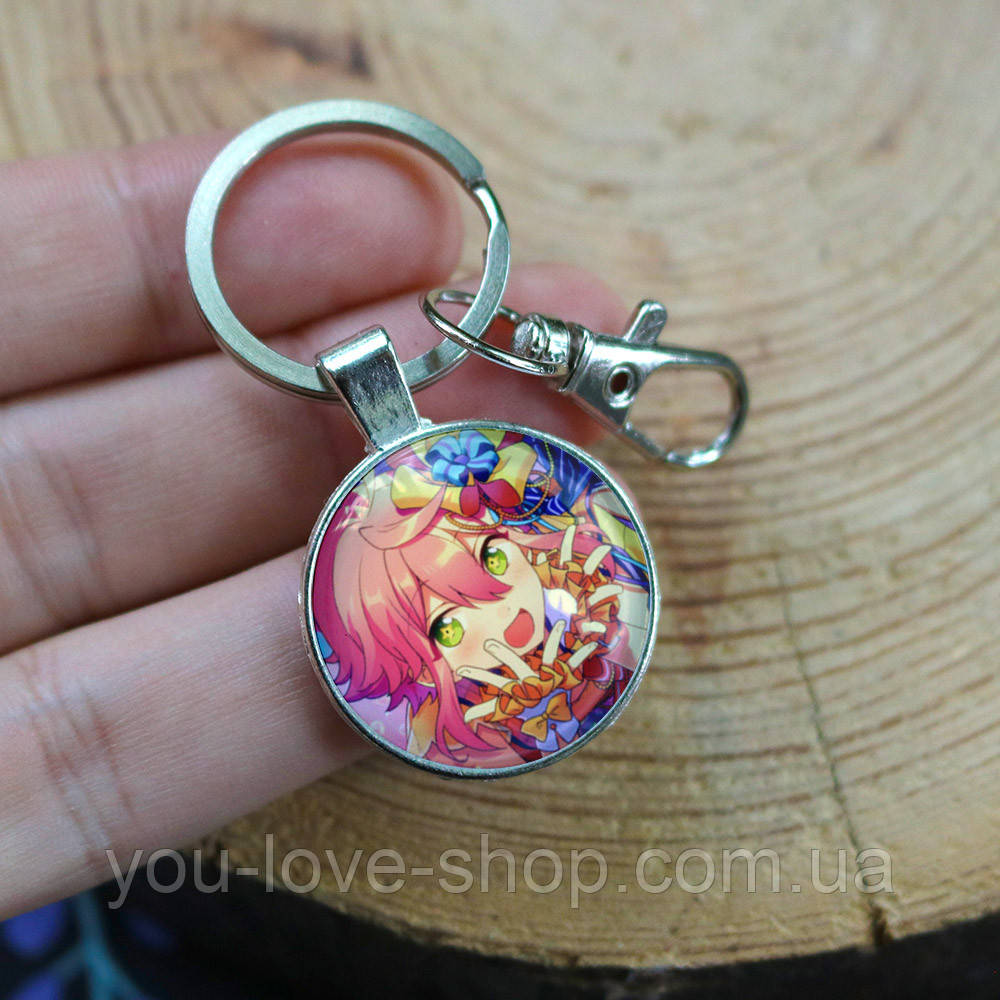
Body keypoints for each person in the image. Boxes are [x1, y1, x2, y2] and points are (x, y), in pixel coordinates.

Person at [0, 130, 626, 919]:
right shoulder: (469, 716)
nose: (503, 623)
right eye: (445, 632)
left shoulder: (597, 602)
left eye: (497, 562)